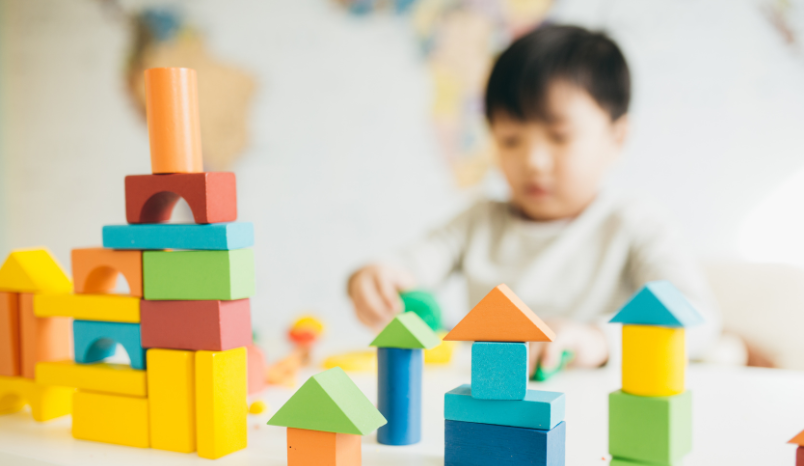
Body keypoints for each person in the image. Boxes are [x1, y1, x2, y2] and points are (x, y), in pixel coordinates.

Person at [347, 24, 721, 374]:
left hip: (595, 412)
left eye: (559, 137)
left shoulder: (633, 223)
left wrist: (599, 339)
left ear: (617, 137)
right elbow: (410, 264)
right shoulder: (478, 221)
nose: (533, 162)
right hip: (495, 409)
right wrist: (377, 277)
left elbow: (696, 318)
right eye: (510, 140)